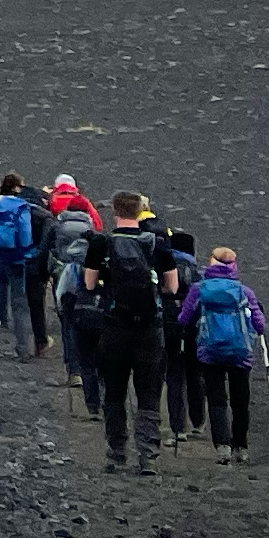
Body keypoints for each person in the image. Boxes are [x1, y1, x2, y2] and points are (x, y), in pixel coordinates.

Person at [83, 193, 175, 471]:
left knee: (114, 392)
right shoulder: (156, 243)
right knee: (148, 393)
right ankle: (147, 456)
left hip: (114, 327)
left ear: (114, 211)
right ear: (140, 211)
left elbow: (89, 285)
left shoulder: (102, 243)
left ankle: (117, 452)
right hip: (148, 328)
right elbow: (171, 286)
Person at [185, 247, 269, 461]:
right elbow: (259, 326)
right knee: (240, 400)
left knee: (216, 398)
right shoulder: (244, 291)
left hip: (210, 351)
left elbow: (184, 318)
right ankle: (241, 447)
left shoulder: (199, 289)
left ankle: (222, 446)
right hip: (240, 352)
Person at [44, 181, 104, 403]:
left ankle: (74, 370)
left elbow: (49, 249)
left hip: (63, 276)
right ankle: (95, 372)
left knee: (67, 323)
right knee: (89, 322)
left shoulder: (57, 226)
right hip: (86, 278)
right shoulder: (92, 230)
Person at [0, 173, 49, 359]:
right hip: (17, 258)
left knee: (1, 284)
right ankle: (22, 347)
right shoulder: (23, 208)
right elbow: (26, 234)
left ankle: (2, 317)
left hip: (0, 252)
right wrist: (30, 253)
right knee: (20, 302)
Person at [158, 221, 209, 442]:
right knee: (195, 375)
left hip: (169, 325)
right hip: (195, 329)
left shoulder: (165, 268)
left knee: (174, 375)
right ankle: (198, 422)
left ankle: (178, 426)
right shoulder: (199, 275)